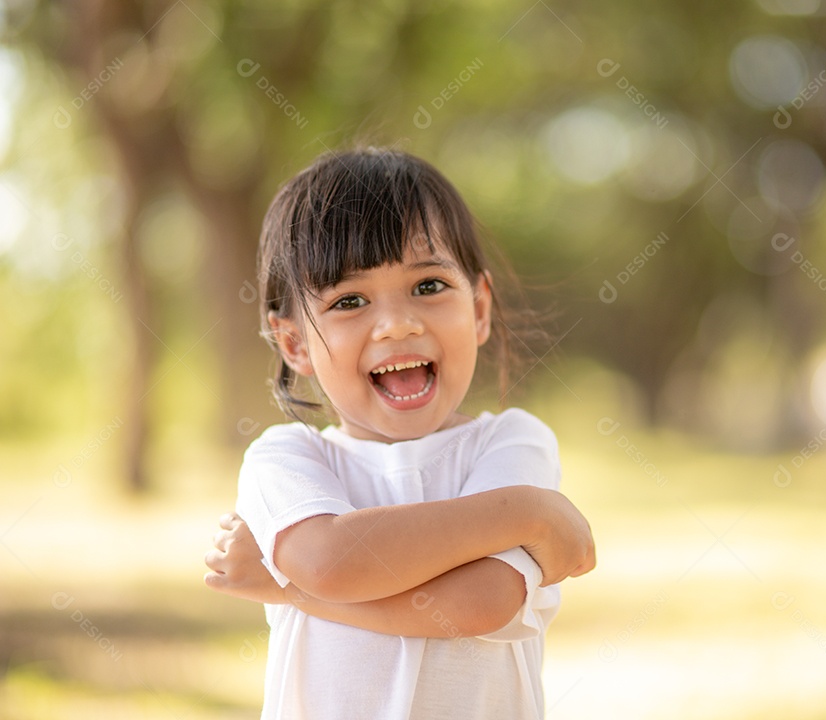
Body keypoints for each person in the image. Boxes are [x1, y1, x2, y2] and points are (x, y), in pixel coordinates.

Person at [202, 146, 596, 720]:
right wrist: (529, 514)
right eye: (350, 300)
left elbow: (481, 602)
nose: (398, 324)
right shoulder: (285, 458)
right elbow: (329, 561)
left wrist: (281, 585)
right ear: (293, 343)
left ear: (479, 308)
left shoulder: (511, 443)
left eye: (429, 286)